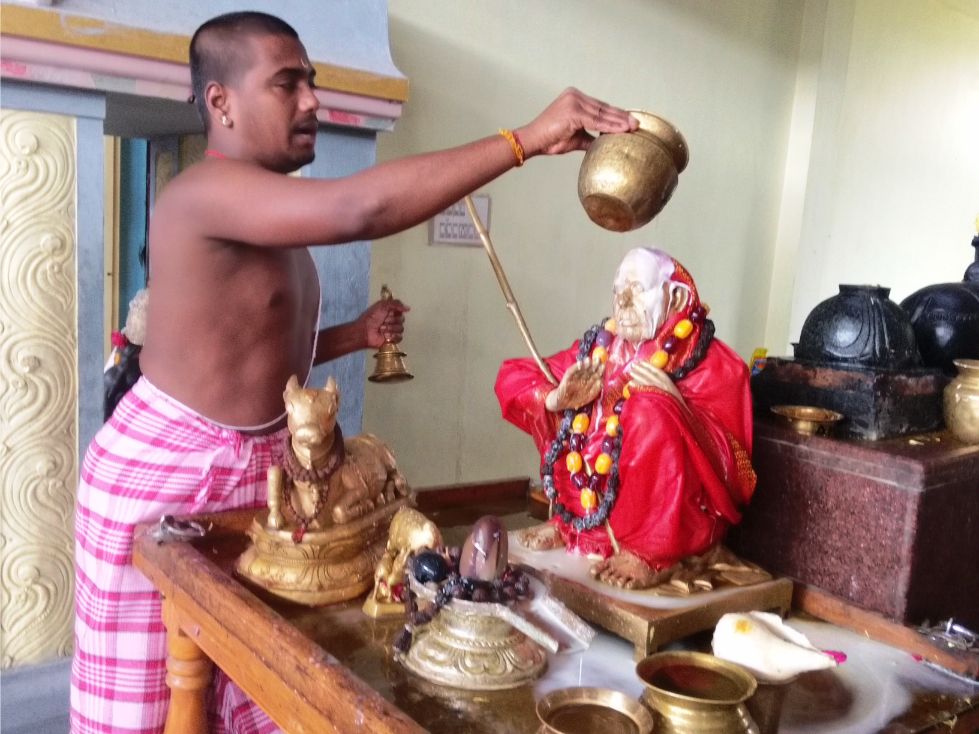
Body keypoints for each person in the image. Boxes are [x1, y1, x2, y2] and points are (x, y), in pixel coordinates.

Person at [70, 10, 637, 734]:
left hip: (263, 473)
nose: (312, 100)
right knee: (154, 710)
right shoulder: (202, 193)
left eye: (311, 81)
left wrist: (354, 336)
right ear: (221, 102)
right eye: (287, 83)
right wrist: (522, 140)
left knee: (251, 682)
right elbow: (360, 207)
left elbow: (256, 355)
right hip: (169, 478)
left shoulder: (271, 213)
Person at [496, 247, 757, 589]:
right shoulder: (601, 349)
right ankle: (573, 526)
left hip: (677, 520)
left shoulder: (715, 364)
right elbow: (514, 375)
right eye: (618, 290)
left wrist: (677, 407)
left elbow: (737, 474)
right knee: (555, 402)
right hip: (590, 498)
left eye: (637, 289)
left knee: (649, 409)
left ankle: (650, 554)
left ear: (676, 298)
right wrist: (555, 397)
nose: (623, 301)